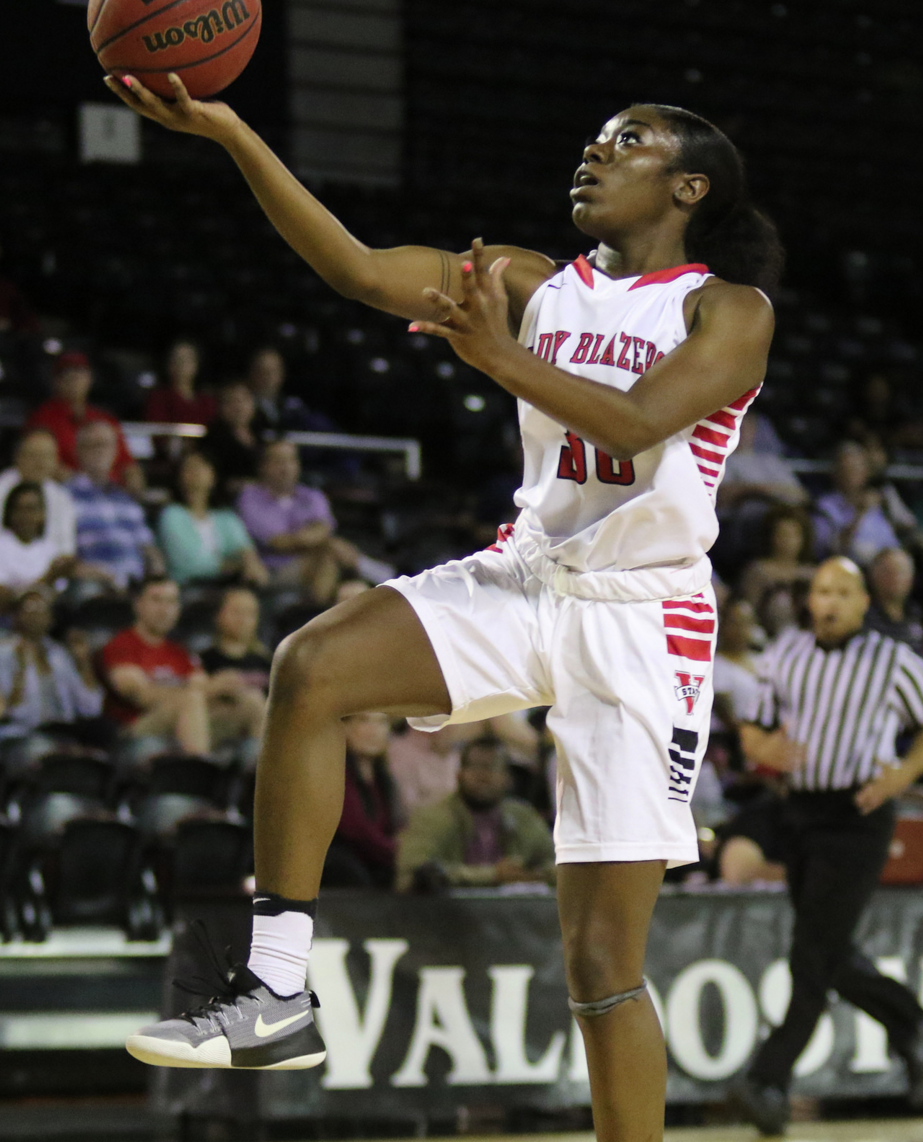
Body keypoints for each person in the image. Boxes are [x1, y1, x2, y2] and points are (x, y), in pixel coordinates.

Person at [113, 78, 780, 1137]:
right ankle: (275, 986)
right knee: (311, 665)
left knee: (601, 964)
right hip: (527, 574)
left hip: (642, 623)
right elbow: (354, 267)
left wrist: (497, 356)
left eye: (627, 142)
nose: (593, 152)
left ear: (686, 186)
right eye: (593, 137)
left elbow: (640, 416)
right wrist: (231, 132)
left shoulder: (724, 308)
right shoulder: (522, 280)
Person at [731, 557, 923, 1134]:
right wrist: (764, 748)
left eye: (843, 592)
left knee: (812, 954)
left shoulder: (895, 660)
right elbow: (751, 730)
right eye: (821, 591)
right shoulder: (783, 654)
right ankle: (912, 1025)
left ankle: (768, 1079)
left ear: (865, 602)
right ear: (809, 600)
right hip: (801, 812)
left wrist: (903, 775)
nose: (830, 602)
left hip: (859, 816)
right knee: (828, 949)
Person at [101, 576, 264, 757]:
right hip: (135, 728)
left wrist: (224, 686)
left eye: (171, 602)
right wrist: (206, 689)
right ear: (138, 605)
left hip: (183, 725)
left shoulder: (180, 652)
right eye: (156, 600)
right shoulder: (122, 645)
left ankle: (262, 779)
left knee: (252, 700)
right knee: (190, 699)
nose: (165, 610)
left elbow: (203, 688)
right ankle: (199, 777)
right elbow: (139, 694)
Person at [397, 736, 556, 891]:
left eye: (492, 767)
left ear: (508, 778)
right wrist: (492, 875)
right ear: (458, 774)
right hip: (447, 913)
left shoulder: (523, 817)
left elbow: (556, 865)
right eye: (474, 767)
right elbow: (413, 874)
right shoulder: (432, 817)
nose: (483, 776)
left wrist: (535, 874)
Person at [236, 439, 364, 603]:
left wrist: (311, 539)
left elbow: (323, 528)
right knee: (331, 552)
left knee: (333, 557)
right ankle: (319, 616)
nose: (286, 468)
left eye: (291, 460)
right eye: (279, 461)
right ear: (263, 466)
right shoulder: (249, 498)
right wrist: (319, 540)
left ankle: (316, 614)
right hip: (271, 570)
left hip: (314, 559)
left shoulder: (311, 495)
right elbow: (280, 542)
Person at [26, 351, 144, 495]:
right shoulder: (43, 417)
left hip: (111, 491)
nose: (74, 379)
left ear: (90, 378)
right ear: (55, 381)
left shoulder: (105, 418)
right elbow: (35, 459)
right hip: (64, 491)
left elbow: (127, 462)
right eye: (67, 374)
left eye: (80, 373)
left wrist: (133, 476)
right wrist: (77, 482)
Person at [68, 422, 164, 591]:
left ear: (115, 451)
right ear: (79, 451)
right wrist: (104, 576)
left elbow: (147, 545)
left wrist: (158, 572)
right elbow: (62, 553)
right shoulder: (66, 496)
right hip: (93, 582)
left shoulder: (125, 498)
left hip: (135, 584)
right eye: (93, 445)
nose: (100, 451)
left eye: (105, 445)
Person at [0, 588, 103, 740]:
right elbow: (9, 711)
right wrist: (20, 672)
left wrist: (83, 663)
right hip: (19, 734)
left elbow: (91, 708)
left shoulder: (60, 654)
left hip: (62, 734)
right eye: (29, 608)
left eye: (42, 608)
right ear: (16, 616)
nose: (36, 614)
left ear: (51, 618)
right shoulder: (5, 653)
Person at [157, 452, 268, 587]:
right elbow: (190, 564)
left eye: (202, 467)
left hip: (228, 585)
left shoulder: (226, 517)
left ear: (213, 476)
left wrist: (251, 563)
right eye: (189, 468)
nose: (196, 472)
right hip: (189, 587)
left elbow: (245, 548)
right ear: (179, 477)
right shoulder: (171, 515)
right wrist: (236, 565)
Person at [323, 711, 400, 888]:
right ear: (345, 727)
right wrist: (399, 852)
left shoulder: (384, 778)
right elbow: (355, 831)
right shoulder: (334, 772)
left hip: (376, 859)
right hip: (341, 863)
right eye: (364, 721)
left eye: (381, 722)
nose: (373, 731)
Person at [813, 441, 901, 566]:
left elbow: (894, 543)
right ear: (835, 473)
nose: (851, 475)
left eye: (856, 469)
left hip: (881, 568)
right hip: (845, 568)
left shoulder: (878, 501)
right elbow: (832, 551)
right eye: (845, 469)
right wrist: (859, 514)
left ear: (866, 473)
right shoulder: (824, 506)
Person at [738, 505, 815, 635]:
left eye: (793, 535)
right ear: (771, 537)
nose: (787, 541)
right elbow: (747, 611)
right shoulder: (758, 571)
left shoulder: (812, 573)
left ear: (803, 538)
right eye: (782, 534)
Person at [0, 483, 76, 612]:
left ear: (42, 514)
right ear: (10, 513)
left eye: (31, 509)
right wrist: (48, 578)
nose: (25, 515)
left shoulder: (49, 549)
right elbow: (6, 597)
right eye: (19, 509)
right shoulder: (2, 545)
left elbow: (56, 594)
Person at [0, 430, 77, 557]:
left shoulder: (62, 497)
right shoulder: (1, 488)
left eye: (47, 456)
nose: (40, 463)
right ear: (18, 457)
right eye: (34, 455)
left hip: (50, 570)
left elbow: (66, 547)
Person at [199, 587, 272, 696]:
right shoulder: (204, 661)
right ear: (218, 615)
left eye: (250, 613)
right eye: (236, 612)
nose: (243, 619)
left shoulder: (268, 663)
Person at [201, 380, 264, 496]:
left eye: (243, 400)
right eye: (231, 401)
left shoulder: (262, 435)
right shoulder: (212, 439)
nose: (238, 407)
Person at [144, 338, 216, 427]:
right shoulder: (158, 398)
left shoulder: (206, 401)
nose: (181, 365)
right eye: (176, 359)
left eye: (186, 359)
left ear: (197, 364)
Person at [865, 546, 923, 655]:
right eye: (889, 571)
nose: (896, 577)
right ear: (873, 574)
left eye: (902, 571)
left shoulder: (917, 614)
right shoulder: (863, 616)